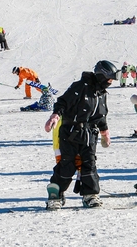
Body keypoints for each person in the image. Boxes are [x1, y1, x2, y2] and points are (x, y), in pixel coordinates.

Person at [44, 60, 118, 209]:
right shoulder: (80, 87)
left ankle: (90, 195)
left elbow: (101, 115)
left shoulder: (101, 93)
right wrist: (55, 115)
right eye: (109, 78)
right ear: (101, 75)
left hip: (90, 134)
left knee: (89, 164)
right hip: (71, 132)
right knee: (67, 164)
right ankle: (56, 195)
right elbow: (62, 102)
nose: (110, 82)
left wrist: (105, 132)